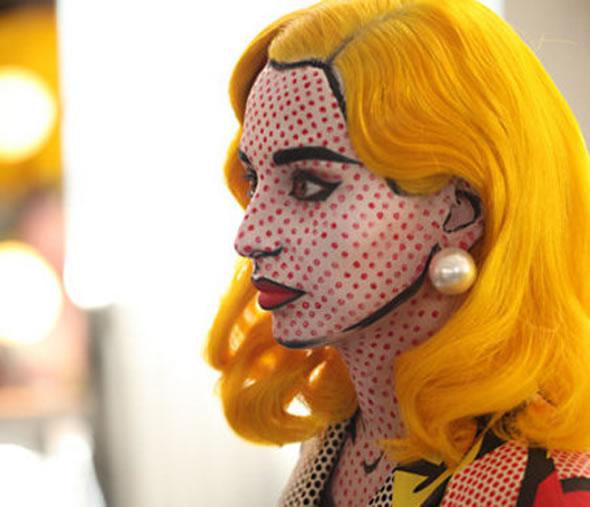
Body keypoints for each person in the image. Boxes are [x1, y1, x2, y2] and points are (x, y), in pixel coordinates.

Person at [206, 0, 590, 504]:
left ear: (460, 211)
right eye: (254, 178)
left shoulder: (544, 486)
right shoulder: (341, 434)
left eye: (308, 185)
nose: (250, 235)